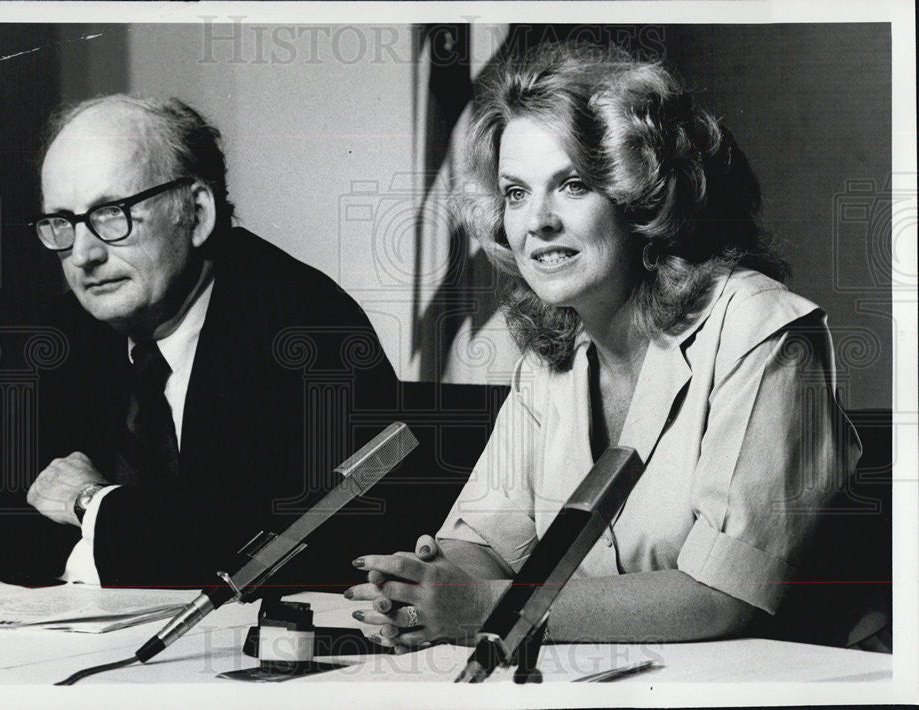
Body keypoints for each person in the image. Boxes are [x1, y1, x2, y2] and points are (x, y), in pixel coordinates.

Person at [346, 42, 861, 648]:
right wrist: (424, 590)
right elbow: (484, 544)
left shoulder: (762, 330)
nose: (536, 221)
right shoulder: (551, 355)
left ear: (637, 195)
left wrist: (484, 610)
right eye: (515, 193)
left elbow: (720, 598)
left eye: (571, 184)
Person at [0, 95, 404, 590]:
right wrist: (124, 540)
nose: (82, 254)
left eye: (111, 213)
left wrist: (89, 505)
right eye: (62, 221)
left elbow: (277, 553)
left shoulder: (307, 328)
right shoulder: (67, 330)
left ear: (196, 212)